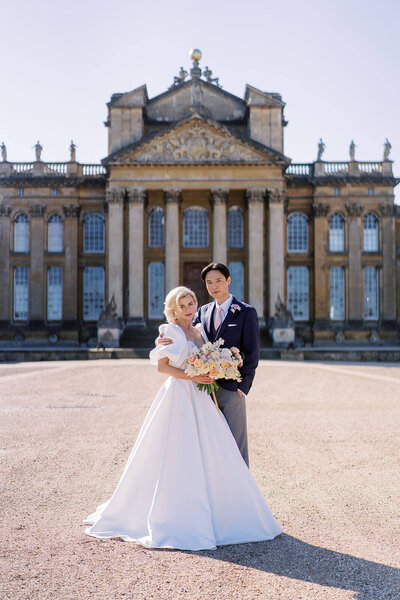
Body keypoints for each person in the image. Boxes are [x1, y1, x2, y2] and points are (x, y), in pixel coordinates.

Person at [84, 286, 281, 551]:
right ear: (174, 309)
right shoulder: (171, 331)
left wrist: (213, 369)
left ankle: (221, 510)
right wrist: (194, 376)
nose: (188, 308)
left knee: (213, 450)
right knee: (176, 451)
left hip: (201, 396)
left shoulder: (199, 330)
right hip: (179, 394)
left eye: (191, 303)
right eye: (183, 305)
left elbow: (206, 355)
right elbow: (162, 367)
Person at [158, 262, 259, 467]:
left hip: (231, 389)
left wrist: (242, 388)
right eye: (209, 283)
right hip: (203, 391)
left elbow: (252, 352)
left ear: (228, 281)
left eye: (218, 281)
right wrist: (162, 339)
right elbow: (184, 331)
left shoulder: (246, 312)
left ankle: (242, 491)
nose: (214, 286)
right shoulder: (202, 312)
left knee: (236, 443)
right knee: (211, 442)